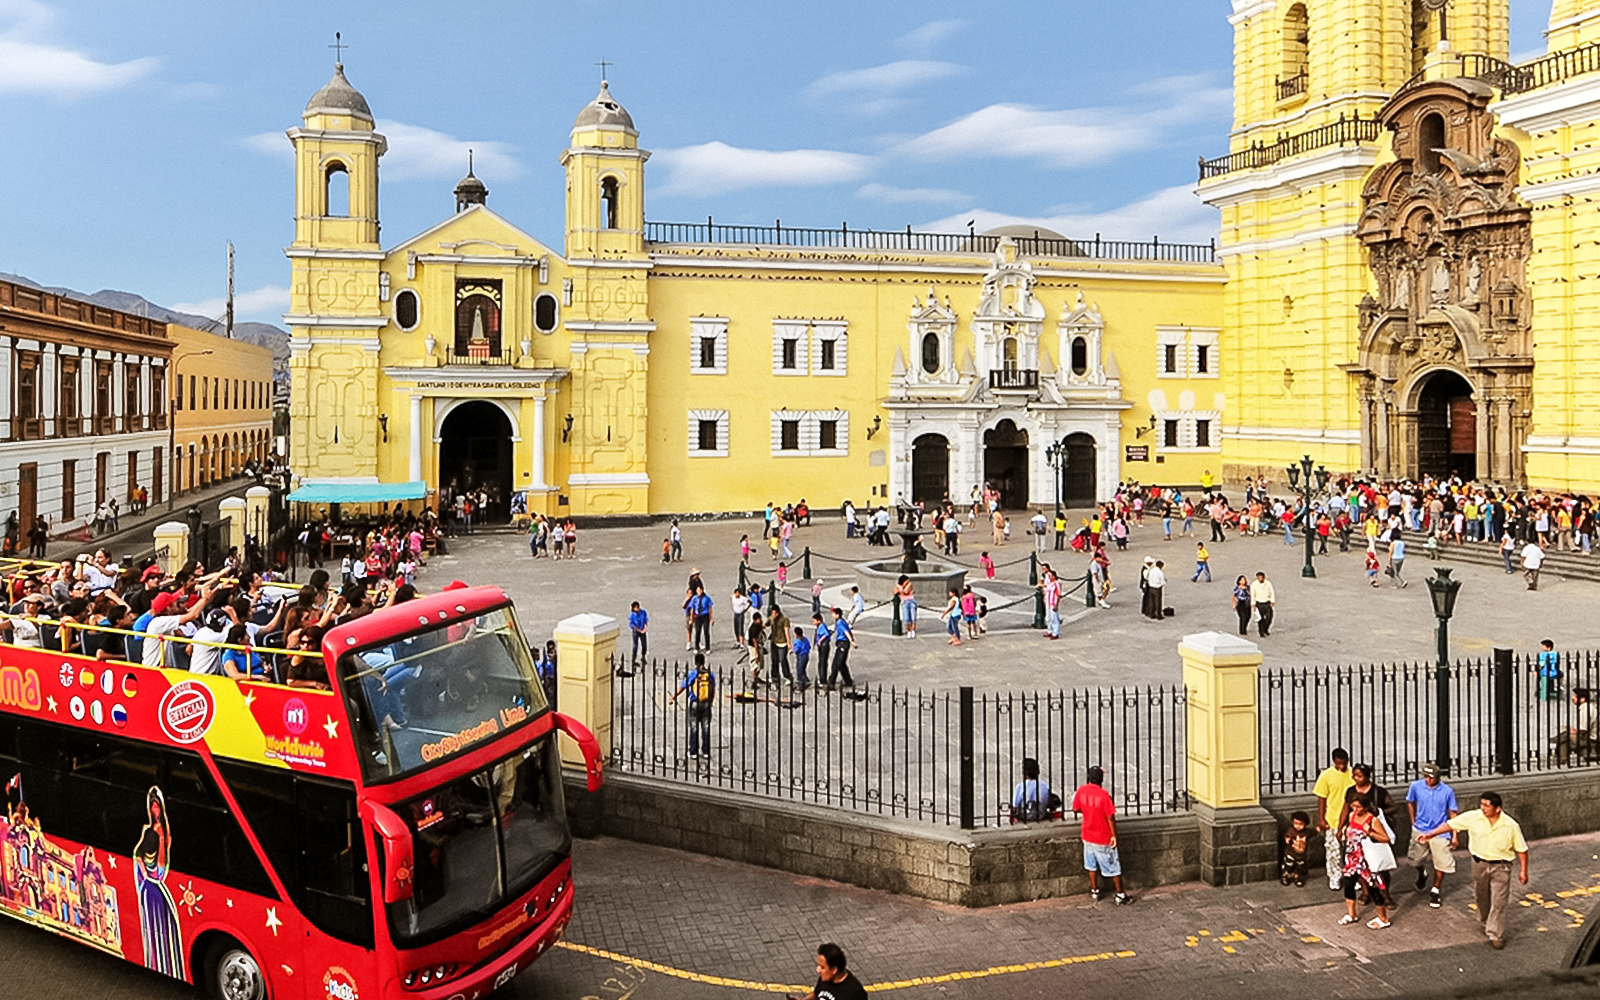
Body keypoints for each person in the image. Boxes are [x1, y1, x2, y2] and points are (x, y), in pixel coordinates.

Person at [1417, 791, 1528, 949]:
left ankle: (1495, 933)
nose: (1483, 808)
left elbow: (1522, 850)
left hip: (1501, 866)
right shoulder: (1473, 817)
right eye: (1481, 804)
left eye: (1487, 805)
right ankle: (1484, 921)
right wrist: (1431, 834)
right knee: (1481, 896)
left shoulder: (1511, 825)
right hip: (1479, 863)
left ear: (1497, 809)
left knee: (1499, 901)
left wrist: (1523, 871)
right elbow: (1451, 824)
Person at [1072, 766, 1133, 904]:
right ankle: (1120, 894)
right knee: (1113, 867)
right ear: (1101, 779)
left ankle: (1094, 889)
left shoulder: (1082, 791)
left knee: (1091, 864)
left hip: (1087, 835)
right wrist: (1114, 836)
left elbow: (1076, 808)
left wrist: (1088, 812)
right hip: (1102, 837)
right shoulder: (1104, 795)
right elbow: (1110, 817)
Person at [1337, 795, 1394, 929]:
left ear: (1366, 807)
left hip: (1367, 859)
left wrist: (1370, 833)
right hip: (1352, 858)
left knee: (1373, 888)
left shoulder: (1372, 820)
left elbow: (1385, 838)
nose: (1355, 809)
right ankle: (1351, 914)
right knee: (1349, 883)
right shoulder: (1351, 816)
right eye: (1353, 806)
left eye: (1359, 807)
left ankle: (1383, 918)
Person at [1406, 763, 1458, 908]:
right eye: (1426, 777)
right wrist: (1413, 821)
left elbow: (1453, 813)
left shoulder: (1447, 791)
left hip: (1440, 830)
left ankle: (1435, 890)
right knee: (1415, 859)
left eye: (1431, 777)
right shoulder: (1416, 786)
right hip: (1421, 828)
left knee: (1441, 862)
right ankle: (1421, 872)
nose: (1428, 780)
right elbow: (1410, 802)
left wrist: (1454, 835)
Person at [1313, 748, 1355, 890]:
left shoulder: (1353, 774)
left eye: (1344, 763)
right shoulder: (1326, 776)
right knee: (1333, 850)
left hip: (1351, 819)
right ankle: (1334, 876)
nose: (1342, 767)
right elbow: (1322, 798)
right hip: (1332, 819)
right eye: (1339, 764)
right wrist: (1322, 819)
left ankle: (1353, 876)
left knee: (1353, 851)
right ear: (1334, 762)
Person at [670, 654, 716, 759]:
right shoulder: (710, 674)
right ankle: (706, 751)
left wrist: (673, 697)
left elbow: (683, 687)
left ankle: (693, 751)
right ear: (704, 661)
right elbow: (713, 689)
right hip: (706, 703)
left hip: (695, 702)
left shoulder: (693, 674)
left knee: (694, 727)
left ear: (695, 662)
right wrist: (711, 702)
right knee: (706, 727)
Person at [790, 943, 868, 1000]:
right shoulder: (825, 978)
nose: (818, 970)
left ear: (834, 970)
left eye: (822, 967)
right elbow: (817, 993)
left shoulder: (855, 994)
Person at [1552, 687, 1596, 765]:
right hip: (1590, 737)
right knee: (1565, 734)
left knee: (1564, 737)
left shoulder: (1585, 709)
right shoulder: (1587, 707)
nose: (1573, 698)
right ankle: (1559, 759)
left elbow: (1583, 729)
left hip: (1591, 739)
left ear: (1582, 699)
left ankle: (1561, 760)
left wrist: (1573, 731)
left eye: (1575, 696)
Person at [1010, 757, 1060, 823]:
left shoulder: (1020, 786)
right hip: (1041, 816)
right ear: (1038, 772)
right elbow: (1049, 802)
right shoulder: (1044, 785)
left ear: (1024, 773)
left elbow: (1014, 807)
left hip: (1024, 817)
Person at [827, 607, 856, 691]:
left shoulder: (840, 622)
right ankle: (848, 680)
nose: (832, 615)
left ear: (837, 615)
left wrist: (852, 641)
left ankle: (831, 682)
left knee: (836, 663)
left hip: (842, 644)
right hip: (843, 644)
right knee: (842, 663)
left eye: (833, 614)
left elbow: (846, 632)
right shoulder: (841, 621)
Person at [1282, 811, 1312, 886]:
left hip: (1301, 855)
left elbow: (1313, 832)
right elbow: (1287, 835)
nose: (1298, 826)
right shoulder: (1292, 831)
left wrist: (1319, 828)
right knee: (1289, 866)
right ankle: (1285, 876)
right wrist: (1288, 839)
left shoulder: (1307, 832)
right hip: (1291, 853)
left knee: (1300, 867)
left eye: (1300, 824)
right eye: (1295, 824)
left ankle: (1297, 877)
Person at [1250, 571, 1275, 637]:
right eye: (1259, 578)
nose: (1260, 579)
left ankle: (1265, 629)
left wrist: (1272, 601)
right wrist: (1253, 603)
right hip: (1259, 603)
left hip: (1267, 602)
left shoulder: (1268, 583)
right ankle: (1261, 632)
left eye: (1261, 577)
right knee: (1260, 619)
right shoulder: (1254, 584)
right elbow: (1253, 594)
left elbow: (1271, 592)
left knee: (1269, 617)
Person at [627, 601, 649, 667]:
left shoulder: (643, 612)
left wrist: (645, 628)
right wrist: (639, 630)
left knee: (644, 644)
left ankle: (643, 656)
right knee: (635, 646)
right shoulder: (631, 615)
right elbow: (632, 625)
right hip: (636, 631)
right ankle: (633, 659)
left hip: (642, 630)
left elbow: (645, 620)